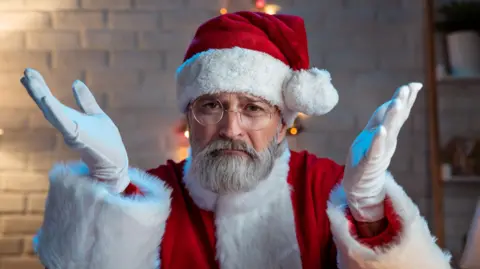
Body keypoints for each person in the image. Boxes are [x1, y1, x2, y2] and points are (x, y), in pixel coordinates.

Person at [22, 11, 451, 269]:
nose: (230, 128)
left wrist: (371, 208)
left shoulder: (332, 189)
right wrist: (108, 190)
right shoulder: (147, 194)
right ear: (188, 117)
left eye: (252, 108)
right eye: (210, 106)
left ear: (283, 123)